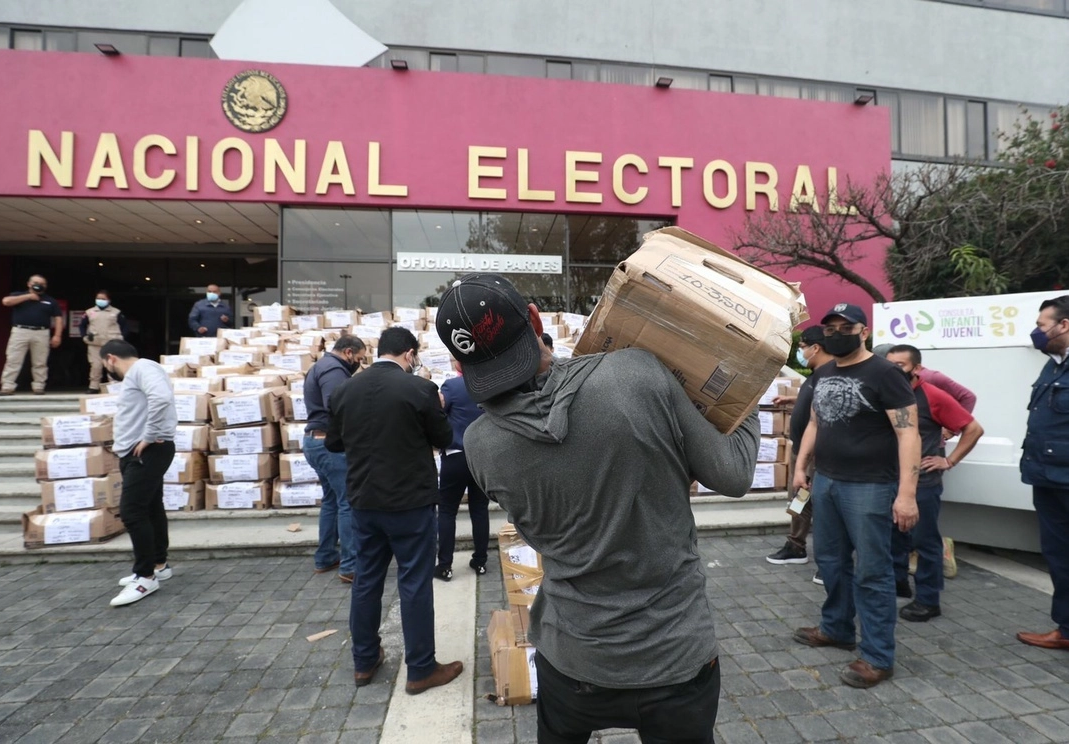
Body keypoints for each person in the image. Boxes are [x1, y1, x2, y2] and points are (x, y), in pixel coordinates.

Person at [438, 274, 760, 743]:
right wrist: (741, 397)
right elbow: (734, 475)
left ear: (460, 363)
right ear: (534, 319)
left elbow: (539, 529)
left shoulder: (480, 445)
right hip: (674, 654)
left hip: (573, 658)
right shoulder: (636, 374)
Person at [325, 327, 462, 694]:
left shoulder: (344, 390)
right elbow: (444, 438)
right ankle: (420, 668)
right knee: (414, 582)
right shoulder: (419, 390)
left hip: (364, 502)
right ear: (410, 354)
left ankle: (364, 661)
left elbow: (335, 443)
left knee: (367, 579)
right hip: (410, 504)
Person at [792, 303, 920, 689]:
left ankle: (878, 656)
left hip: (870, 487)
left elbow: (908, 433)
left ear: (863, 331)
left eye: (845, 326)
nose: (836, 332)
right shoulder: (825, 372)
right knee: (829, 561)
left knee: (872, 572)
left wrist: (907, 494)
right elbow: (815, 422)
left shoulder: (885, 373)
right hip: (828, 481)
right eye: (830, 326)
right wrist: (801, 467)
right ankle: (837, 628)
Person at [1017, 295, 1069, 657]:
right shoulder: (1056, 363)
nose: (1037, 333)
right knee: (1062, 558)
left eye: (1041, 325)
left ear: (1064, 324)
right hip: (1047, 477)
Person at [885, 345, 984, 622]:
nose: (894, 370)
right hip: (890, 478)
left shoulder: (933, 395)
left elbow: (973, 429)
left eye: (900, 365)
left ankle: (928, 600)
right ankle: (898, 583)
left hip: (924, 482)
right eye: (889, 364)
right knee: (895, 536)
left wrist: (949, 460)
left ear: (916, 368)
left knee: (924, 540)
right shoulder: (888, 393)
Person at [100, 340, 177, 607]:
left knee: (132, 512)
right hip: (138, 452)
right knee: (151, 507)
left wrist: (149, 435)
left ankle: (145, 577)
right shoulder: (139, 372)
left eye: (104, 365)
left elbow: (162, 398)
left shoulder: (143, 368)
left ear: (110, 358)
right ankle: (159, 565)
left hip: (146, 452)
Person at [767, 326, 833, 585]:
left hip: (818, 455)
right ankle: (796, 546)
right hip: (800, 451)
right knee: (799, 500)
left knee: (819, 504)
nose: (801, 351)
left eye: (803, 346)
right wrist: (792, 400)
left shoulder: (831, 374)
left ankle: (830, 563)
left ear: (815, 348)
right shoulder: (816, 374)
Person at [303, 335, 365, 583]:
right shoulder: (334, 370)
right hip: (329, 445)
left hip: (315, 442)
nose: (359, 363)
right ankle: (350, 566)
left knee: (331, 501)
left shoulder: (320, 366)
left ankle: (326, 556)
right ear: (348, 352)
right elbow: (337, 404)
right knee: (348, 502)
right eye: (359, 358)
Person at [434, 363, 489, 582]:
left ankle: (445, 565)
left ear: (457, 365)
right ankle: (481, 561)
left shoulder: (451, 386)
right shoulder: (487, 385)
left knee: (447, 510)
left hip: (455, 454)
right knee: (479, 508)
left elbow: (438, 415)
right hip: (482, 456)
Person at [0, 274, 64, 396]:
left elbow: (58, 318)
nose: (39, 285)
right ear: (29, 284)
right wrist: (28, 296)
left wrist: (57, 335)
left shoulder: (50, 301)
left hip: (42, 332)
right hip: (20, 331)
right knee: (13, 359)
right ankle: (7, 387)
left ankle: (39, 387)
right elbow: (6, 301)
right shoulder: (18, 295)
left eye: (42, 283)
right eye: (36, 282)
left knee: (40, 361)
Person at [873, 343, 976, 413]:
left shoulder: (930, 377)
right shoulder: (882, 380)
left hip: (929, 443)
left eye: (898, 365)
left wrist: (951, 429)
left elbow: (968, 397)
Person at [79, 290, 127, 394]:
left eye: (103, 299)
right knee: (96, 366)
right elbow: (82, 325)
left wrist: (122, 338)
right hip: (95, 344)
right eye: (98, 298)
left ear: (109, 300)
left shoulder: (116, 312)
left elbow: (124, 326)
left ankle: (114, 386)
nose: (100, 300)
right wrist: (84, 337)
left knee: (112, 366)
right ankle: (94, 387)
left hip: (112, 344)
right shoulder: (89, 312)